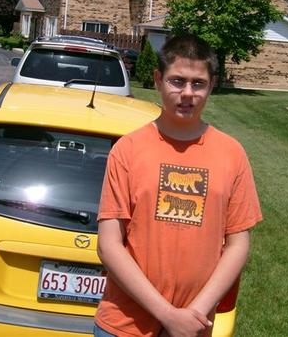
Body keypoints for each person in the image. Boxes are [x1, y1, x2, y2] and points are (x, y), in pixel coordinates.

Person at [95, 34, 263, 337]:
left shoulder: (232, 154)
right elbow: (108, 245)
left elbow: (238, 245)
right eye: (177, 81)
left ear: (211, 85)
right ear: (158, 80)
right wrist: (167, 315)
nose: (187, 93)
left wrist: (193, 314)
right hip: (123, 326)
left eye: (198, 83)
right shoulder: (128, 150)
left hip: (194, 327)